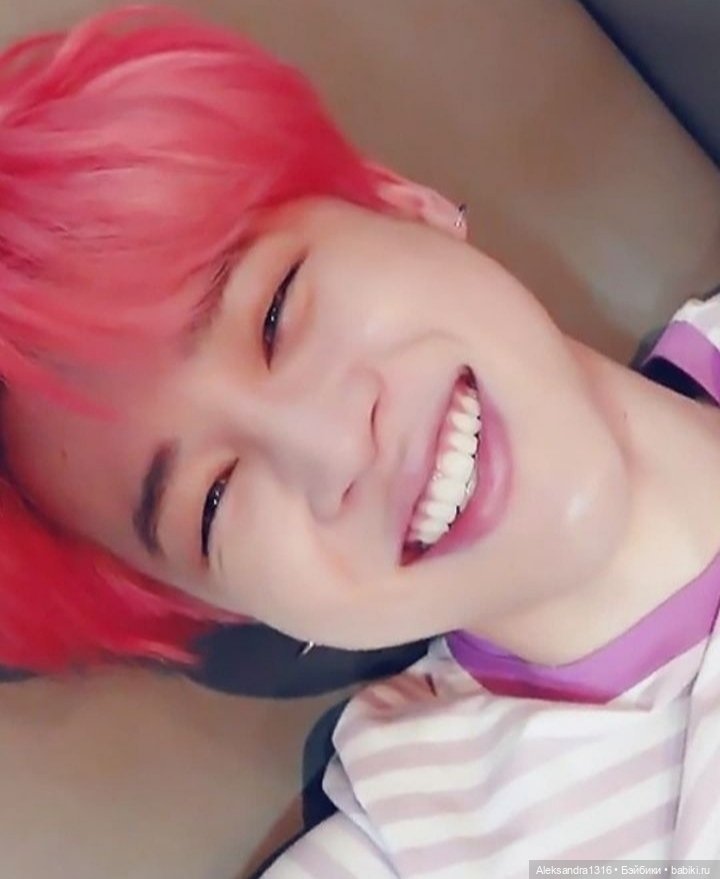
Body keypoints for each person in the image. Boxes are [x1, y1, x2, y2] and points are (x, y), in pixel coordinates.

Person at [0, 6, 718, 876]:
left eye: (274, 312)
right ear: (228, 604)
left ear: (402, 204)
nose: (328, 448)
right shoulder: (412, 843)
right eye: (214, 502)